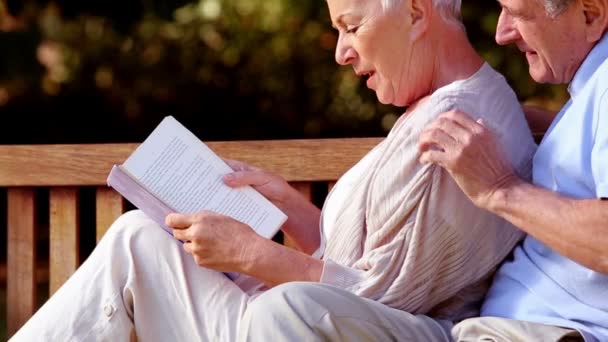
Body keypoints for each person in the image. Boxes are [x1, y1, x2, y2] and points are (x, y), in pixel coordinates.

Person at [10, 0, 537, 341]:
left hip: (286, 328)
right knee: (139, 237)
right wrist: (297, 213)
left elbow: (382, 300)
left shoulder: (458, 128)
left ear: (418, 13)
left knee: (136, 244)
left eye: (351, 27)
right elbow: (372, 267)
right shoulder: (438, 107)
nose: (340, 52)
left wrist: (253, 254)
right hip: (290, 323)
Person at [238, 0, 607, 341]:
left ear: (591, 15)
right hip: (486, 328)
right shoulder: (588, 91)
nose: (501, 32)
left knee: (283, 311)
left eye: (518, 13)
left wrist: (500, 188)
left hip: (537, 334)